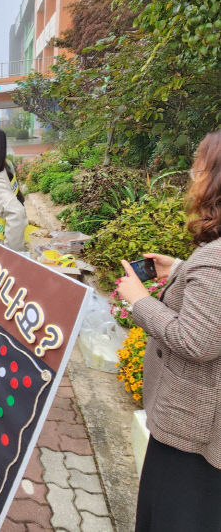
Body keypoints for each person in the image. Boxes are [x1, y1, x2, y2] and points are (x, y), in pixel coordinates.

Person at [117, 130, 221, 532]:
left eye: (199, 165)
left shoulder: (215, 260)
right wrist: (180, 270)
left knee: (171, 514)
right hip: (199, 427)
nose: (192, 174)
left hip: (191, 431)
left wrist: (139, 299)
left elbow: (196, 339)